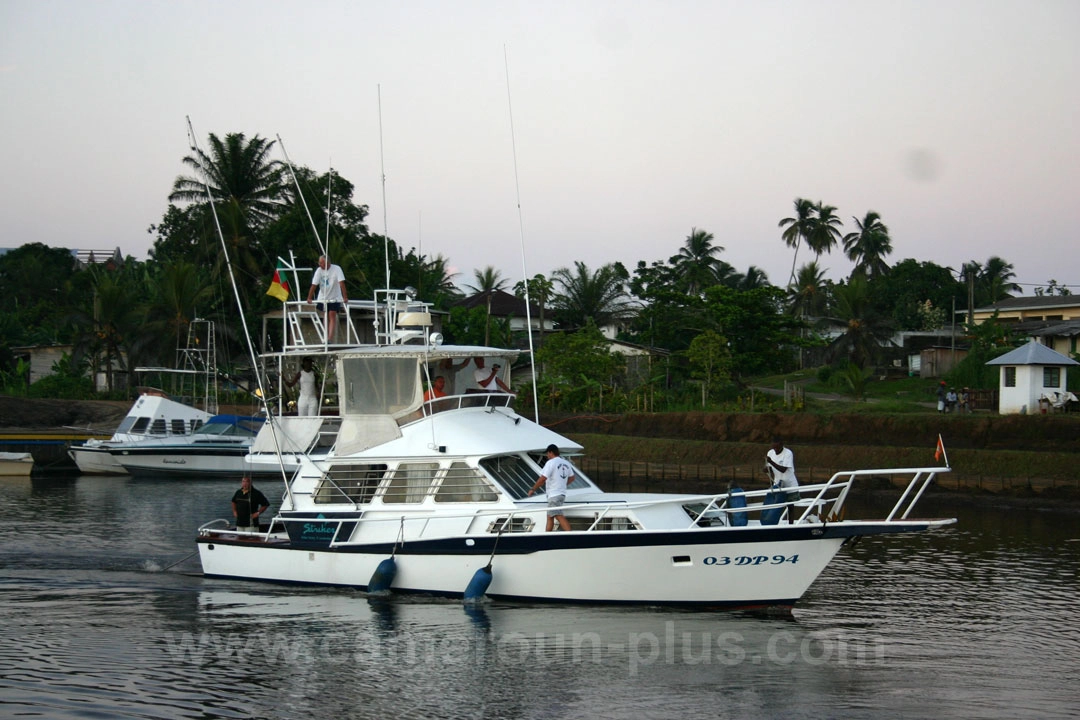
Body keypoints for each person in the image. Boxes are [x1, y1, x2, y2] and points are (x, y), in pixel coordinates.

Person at [527, 444, 574, 531]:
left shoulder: (551, 463)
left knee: (558, 515)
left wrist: (533, 489)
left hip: (554, 495)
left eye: (547, 453)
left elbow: (543, 478)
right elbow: (572, 478)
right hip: (562, 494)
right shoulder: (566, 463)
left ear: (551, 452)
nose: (547, 456)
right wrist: (562, 484)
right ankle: (547, 535)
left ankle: (570, 535)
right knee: (550, 516)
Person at [306, 255, 348, 342]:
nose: (319, 264)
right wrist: (309, 297)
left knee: (332, 314)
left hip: (335, 296)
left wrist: (345, 297)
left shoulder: (337, 269)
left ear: (327, 263)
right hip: (323, 297)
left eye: (321, 262)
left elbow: (342, 283)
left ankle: (330, 338)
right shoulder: (318, 271)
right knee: (325, 314)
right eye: (319, 262)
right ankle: (325, 336)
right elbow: (314, 285)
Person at [765, 437, 800, 524]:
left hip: (790, 484)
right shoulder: (770, 453)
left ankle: (791, 525)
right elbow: (769, 467)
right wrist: (766, 469)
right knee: (776, 505)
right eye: (774, 448)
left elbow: (783, 469)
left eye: (777, 448)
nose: (775, 450)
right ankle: (774, 524)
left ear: (782, 445)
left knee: (790, 506)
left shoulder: (788, 453)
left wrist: (771, 462)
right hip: (778, 484)